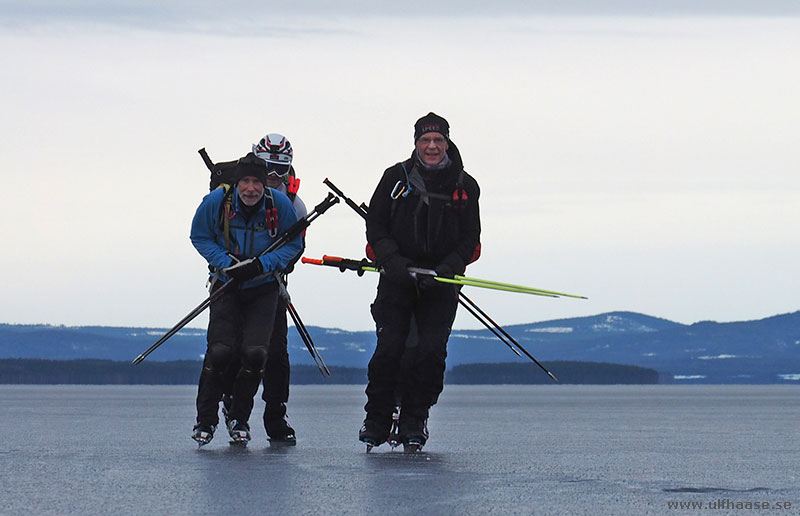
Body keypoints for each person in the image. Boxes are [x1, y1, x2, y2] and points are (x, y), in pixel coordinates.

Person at [360, 112, 481, 450]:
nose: (432, 146)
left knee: (430, 351)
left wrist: (449, 268)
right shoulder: (393, 178)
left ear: (447, 143)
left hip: (442, 281)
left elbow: (471, 236)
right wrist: (392, 261)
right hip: (397, 277)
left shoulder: (466, 185)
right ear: (416, 143)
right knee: (390, 348)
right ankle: (377, 418)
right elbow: (376, 226)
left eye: (438, 140)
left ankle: (416, 417)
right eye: (425, 140)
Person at [190, 152, 302, 445]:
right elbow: (199, 236)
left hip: (263, 287)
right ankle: (206, 419)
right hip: (227, 284)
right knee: (220, 351)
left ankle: (239, 418)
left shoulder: (279, 206)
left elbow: (294, 244)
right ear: (237, 183)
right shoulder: (217, 203)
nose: (251, 188)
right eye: (245, 182)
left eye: (257, 182)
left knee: (256, 354)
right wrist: (226, 262)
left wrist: (261, 265)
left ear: (265, 183)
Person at [249, 133, 307, 444]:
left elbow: (297, 246)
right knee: (231, 349)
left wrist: (276, 266)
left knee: (277, 353)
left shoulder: (295, 204)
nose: (272, 177)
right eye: (267, 168)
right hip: (233, 281)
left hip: (272, 284)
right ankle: (233, 409)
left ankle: (275, 414)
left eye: (280, 170)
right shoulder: (233, 194)